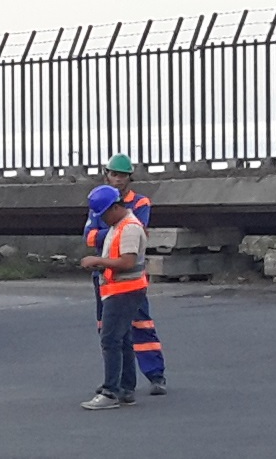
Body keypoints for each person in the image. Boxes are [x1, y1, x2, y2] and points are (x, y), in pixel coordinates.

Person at [83, 153, 168, 395]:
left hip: (127, 279)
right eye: (114, 174)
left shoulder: (139, 204)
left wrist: (106, 234)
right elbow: (88, 237)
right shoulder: (101, 201)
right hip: (106, 278)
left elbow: (133, 234)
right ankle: (120, 382)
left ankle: (155, 375)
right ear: (106, 174)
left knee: (140, 324)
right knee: (108, 331)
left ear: (129, 178)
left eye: (122, 175)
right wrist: (109, 233)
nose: (117, 179)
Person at [79, 185, 149, 409]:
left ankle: (111, 391)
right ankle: (125, 387)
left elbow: (127, 262)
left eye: (104, 214)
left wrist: (97, 261)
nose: (103, 220)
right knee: (124, 338)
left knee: (110, 340)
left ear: (115, 207)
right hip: (123, 289)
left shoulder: (128, 228)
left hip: (124, 290)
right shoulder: (120, 225)